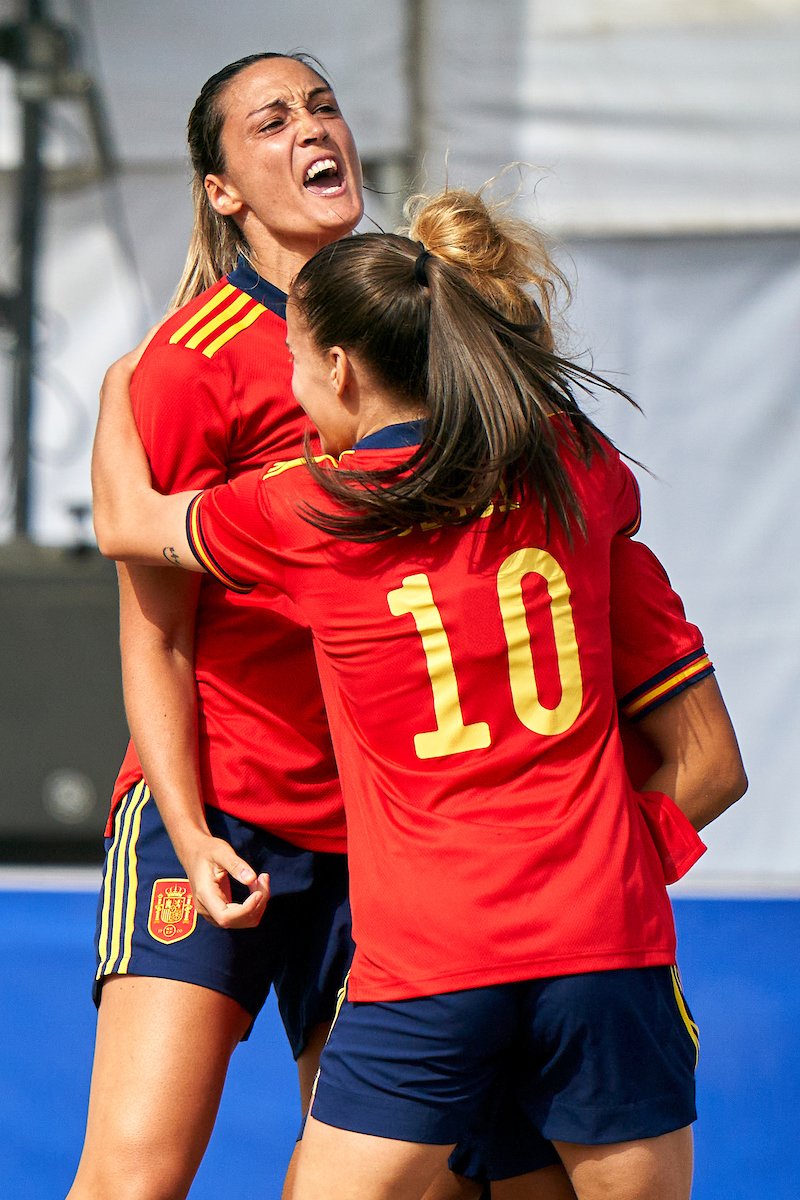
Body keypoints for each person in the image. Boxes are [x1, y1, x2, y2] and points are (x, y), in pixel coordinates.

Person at [91, 191, 746, 1200]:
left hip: (435, 951)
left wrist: (114, 389)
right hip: (602, 939)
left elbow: (129, 525)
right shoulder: (570, 466)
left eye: (298, 360)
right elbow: (707, 760)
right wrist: (618, 861)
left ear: (341, 369)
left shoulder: (313, 508)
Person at [67, 51, 364, 1200]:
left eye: (323, 105)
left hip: (378, 834)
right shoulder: (188, 365)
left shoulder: (411, 335)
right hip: (219, 809)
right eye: (272, 119)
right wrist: (189, 832)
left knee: (382, 1180)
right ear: (221, 188)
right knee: (135, 1175)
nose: (310, 126)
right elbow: (156, 636)